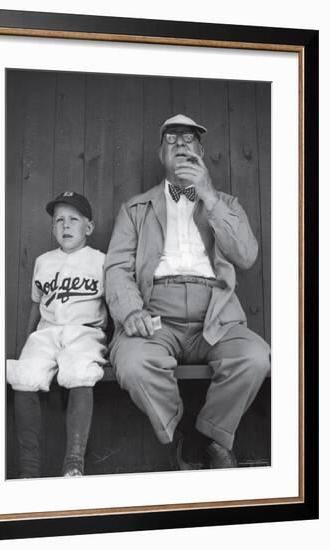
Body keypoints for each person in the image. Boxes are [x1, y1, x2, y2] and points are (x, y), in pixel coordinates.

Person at [104, 113, 271, 469]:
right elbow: (117, 268)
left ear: (201, 151)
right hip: (155, 316)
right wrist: (131, 312)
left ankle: (209, 437)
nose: (180, 145)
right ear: (160, 155)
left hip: (215, 315)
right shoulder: (135, 209)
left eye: (188, 139)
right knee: (133, 364)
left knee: (255, 357)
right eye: (171, 140)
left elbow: (247, 256)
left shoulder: (225, 203)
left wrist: (209, 196)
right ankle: (181, 433)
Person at [7, 192, 107, 477]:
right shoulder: (43, 262)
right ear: (52, 228)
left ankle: (74, 463)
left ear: (88, 228)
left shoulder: (101, 261)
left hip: (85, 332)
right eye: (59, 220)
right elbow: (36, 307)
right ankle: (29, 468)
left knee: (80, 371)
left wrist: (111, 343)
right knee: (24, 374)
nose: (66, 226)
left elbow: (112, 303)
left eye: (73, 220)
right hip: (47, 333)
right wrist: (28, 340)